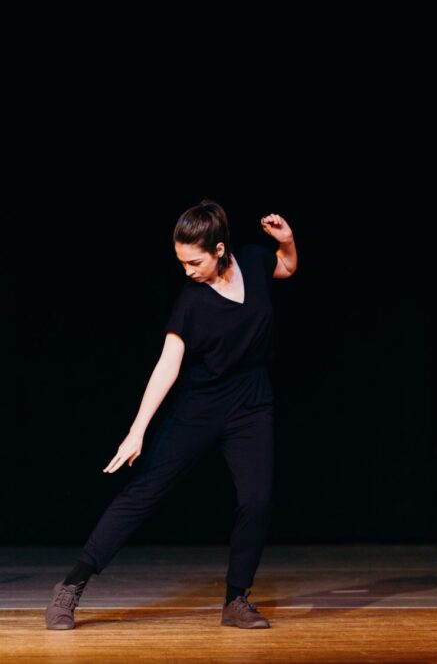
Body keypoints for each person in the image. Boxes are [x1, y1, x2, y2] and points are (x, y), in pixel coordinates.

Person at [45, 198, 298, 630]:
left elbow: (287, 268)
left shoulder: (254, 261)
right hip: (202, 402)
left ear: (219, 249)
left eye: (194, 261)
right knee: (144, 491)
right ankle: (71, 587)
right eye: (180, 262)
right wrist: (136, 430)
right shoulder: (191, 300)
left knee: (257, 500)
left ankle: (236, 600)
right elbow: (168, 364)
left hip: (252, 400)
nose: (187, 270)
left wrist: (288, 240)